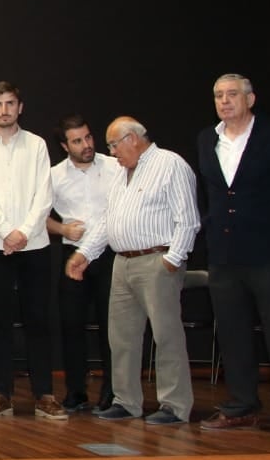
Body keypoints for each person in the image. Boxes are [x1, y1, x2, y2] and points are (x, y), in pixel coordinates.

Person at [196, 73, 270, 438]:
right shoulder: (206, 139)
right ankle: (242, 405)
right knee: (232, 334)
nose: (225, 101)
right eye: (218, 95)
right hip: (225, 256)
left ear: (250, 99)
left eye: (232, 94)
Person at [68, 117, 199, 426]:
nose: (112, 152)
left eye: (114, 144)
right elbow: (106, 220)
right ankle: (126, 401)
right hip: (122, 262)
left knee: (166, 336)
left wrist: (173, 259)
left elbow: (188, 219)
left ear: (133, 139)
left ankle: (174, 405)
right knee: (122, 337)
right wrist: (85, 253)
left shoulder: (170, 164)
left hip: (157, 260)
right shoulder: (120, 174)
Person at [0, 81, 63, 420]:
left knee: (38, 320)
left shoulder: (36, 145)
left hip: (34, 242)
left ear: (20, 107)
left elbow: (44, 195)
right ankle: (1, 394)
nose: (4, 109)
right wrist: (7, 232)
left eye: (10, 103)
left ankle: (45, 395)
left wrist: (22, 233)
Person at [49, 114, 120, 412]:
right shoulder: (53, 175)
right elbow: (39, 217)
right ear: (65, 146)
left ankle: (113, 392)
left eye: (88, 137)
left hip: (109, 253)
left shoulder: (115, 166)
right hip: (72, 254)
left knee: (112, 326)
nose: (86, 145)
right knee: (72, 325)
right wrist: (63, 229)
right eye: (77, 141)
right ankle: (75, 392)